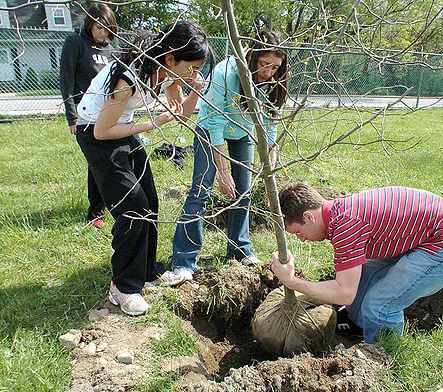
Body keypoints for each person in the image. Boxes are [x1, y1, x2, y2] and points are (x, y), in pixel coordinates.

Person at [75, 21, 215, 316]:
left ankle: (147, 272)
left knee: (150, 201)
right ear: (170, 59)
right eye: (192, 67)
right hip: (97, 133)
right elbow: (102, 131)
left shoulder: (168, 75)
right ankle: (123, 287)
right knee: (132, 207)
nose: (195, 73)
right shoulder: (129, 77)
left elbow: (181, 115)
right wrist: (152, 123)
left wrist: (194, 91)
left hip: (123, 129)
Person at [271, 182, 443, 343]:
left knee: (379, 305)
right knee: (365, 276)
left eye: (298, 232)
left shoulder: (346, 227)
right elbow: (350, 284)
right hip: (426, 232)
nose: (302, 239)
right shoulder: (338, 212)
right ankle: (358, 325)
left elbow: (345, 293)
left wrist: (292, 282)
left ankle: (383, 359)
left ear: (309, 217)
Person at [168, 30, 289, 284]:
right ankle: (184, 262)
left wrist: (271, 176)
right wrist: (223, 173)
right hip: (210, 132)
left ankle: (240, 249)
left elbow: (270, 129)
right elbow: (213, 123)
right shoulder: (225, 73)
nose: (269, 71)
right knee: (200, 192)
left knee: (242, 193)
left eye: (275, 67)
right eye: (264, 64)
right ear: (253, 56)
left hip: (241, 133)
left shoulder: (272, 83)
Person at [60, 4, 118, 228]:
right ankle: (96, 212)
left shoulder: (110, 49)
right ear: (90, 23)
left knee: (103, 161)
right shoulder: (75, 42)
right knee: (97, 162)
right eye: (99, 27)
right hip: (84, 115)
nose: (103, 33)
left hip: (106, 113)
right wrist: (72, 116)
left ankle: (107, 204)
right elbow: (66, 79)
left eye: (108, 28)